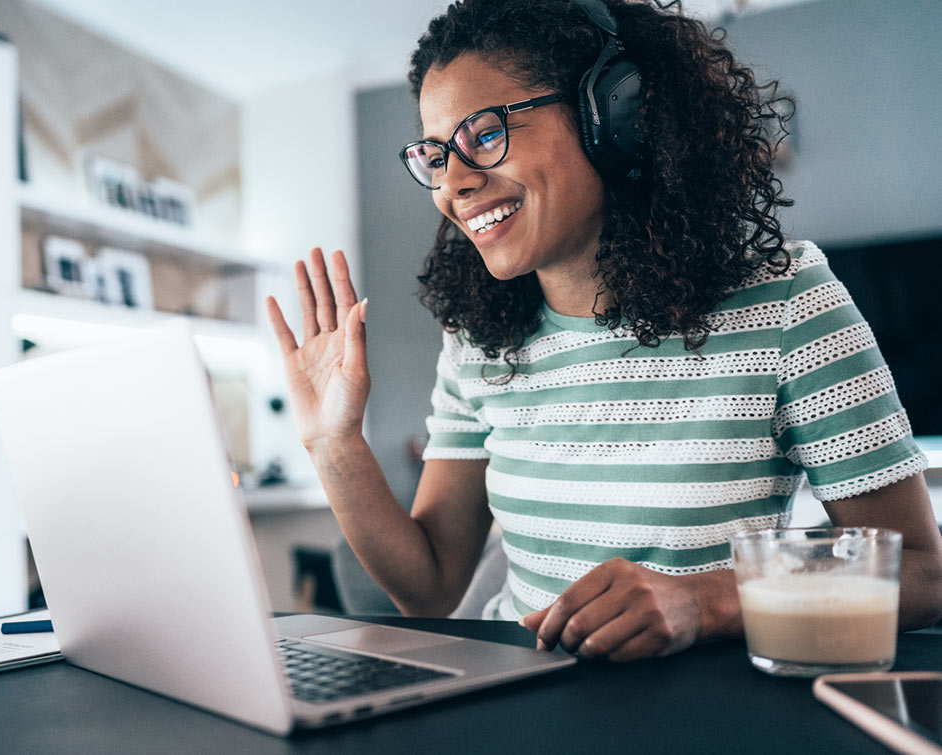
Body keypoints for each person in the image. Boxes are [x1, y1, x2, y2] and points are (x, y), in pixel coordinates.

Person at [265, 0, 942, 662]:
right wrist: (334, 444)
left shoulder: (788, 304)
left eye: (485, 134)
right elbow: (432, 588)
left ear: (614, 115)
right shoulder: (477, 338)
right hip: (510, 703)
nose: (455, 184)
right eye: (436, 155)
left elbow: (923, 573)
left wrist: (706, 601)